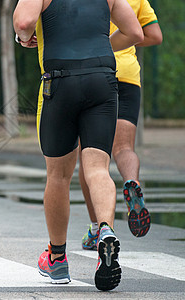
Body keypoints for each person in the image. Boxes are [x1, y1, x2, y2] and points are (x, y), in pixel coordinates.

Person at [13, 0, 143, 291]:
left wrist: (24, 40)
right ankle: (105, 230)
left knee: (58, 175)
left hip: (61, 80)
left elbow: (23, 22)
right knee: (97, 167)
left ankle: (57, 258)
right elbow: (135, 32)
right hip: (103, 78)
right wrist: (100, 46)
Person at [81, 0, 162, 250]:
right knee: (124, 147)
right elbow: (154, 35)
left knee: (91, 157)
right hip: (128, 74)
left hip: (97, 70)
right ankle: (132, 182)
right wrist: (127, 41)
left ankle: (97, 228)